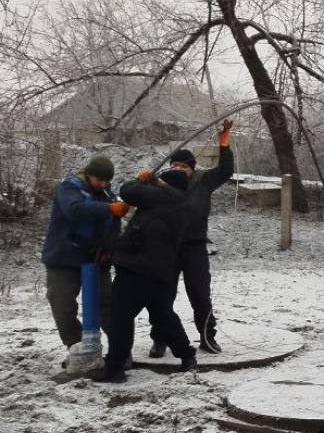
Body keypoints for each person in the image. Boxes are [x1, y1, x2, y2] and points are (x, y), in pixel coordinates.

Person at [90, 169, 197, 383]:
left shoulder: (164, 196)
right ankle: (187, 356)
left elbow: (128, 192)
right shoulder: (182, 204)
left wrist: (140, 180)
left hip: (136, 268)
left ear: (165, 185)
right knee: (163, 316)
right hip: (160, 270)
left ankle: (114, 369)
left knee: (119, 317)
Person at [149, 120, 234, 356]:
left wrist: (224, 145)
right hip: (167, 248)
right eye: (174, 165)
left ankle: (208, 338)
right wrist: (143, 180)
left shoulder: (203, 181)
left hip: (195, 247)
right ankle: (160, 339)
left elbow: (226, 171)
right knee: (162, 296)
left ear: (192, 168)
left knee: (200, 295)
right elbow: (135, 195)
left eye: (182, 167)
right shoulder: (161, 183)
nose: (178, 170)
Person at [41, 156, 128, 363]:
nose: (104, 184)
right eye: (100, 180)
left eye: (107, 181)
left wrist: (109, 250)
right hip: (63, 258)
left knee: (107, 305)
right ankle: (77, 347)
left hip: (97, 259)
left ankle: (120, 350)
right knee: (62, 303)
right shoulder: (69, 188)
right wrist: (109, 209)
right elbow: (75, 211)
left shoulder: (107, 194)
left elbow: (114, 227)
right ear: (89, 174)